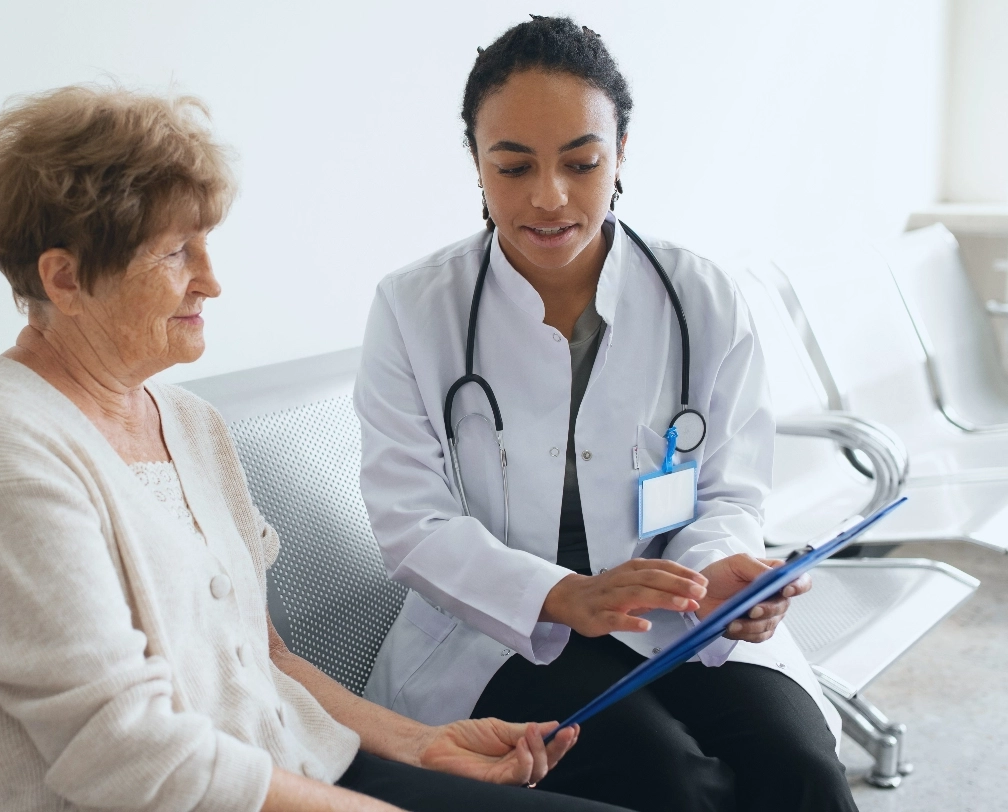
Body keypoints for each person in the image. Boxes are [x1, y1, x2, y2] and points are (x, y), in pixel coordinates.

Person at [0, 85, 638, 812]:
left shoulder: (187, 422)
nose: (211, 281)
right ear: (64, 279)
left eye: (205, 244)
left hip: (287, 774)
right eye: (175, 254)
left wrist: (422, 746)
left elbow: (261, 657)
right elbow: (127, 758)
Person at [354, 17, 856, 812]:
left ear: (621, 154)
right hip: (503, 627)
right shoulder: (416, 309)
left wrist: (717, 572)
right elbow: (410, 521)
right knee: (667, 779)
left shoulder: (702, 298)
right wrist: (560, 594)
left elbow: (730, 492)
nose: (547, 197)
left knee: (802, 770)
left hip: (674, 613)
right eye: (512, 166)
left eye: (581, 163)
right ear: (478, 166)